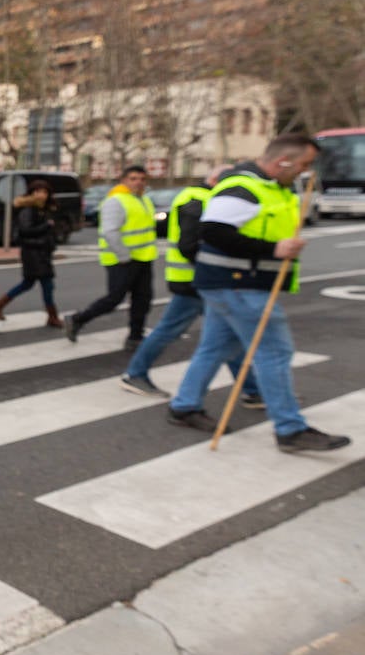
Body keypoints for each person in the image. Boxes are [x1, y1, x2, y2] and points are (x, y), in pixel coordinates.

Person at [166, 135, 350, 452]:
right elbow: (213, 231)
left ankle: (184, 406)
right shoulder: (244, 186)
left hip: (231, 283)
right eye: (304, 165)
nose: (305, 172)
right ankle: (290, 429)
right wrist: (274, 249)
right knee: (274, 352)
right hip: (238, 284)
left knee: (214, 348)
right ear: (283, 162)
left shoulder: (270, 187)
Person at [119, 166, 263, 401]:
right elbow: (188, 245)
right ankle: (135, 374)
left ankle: (253, 389)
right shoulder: (196, 199)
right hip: (193, 279)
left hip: (199, 278)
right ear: (217, 179)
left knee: (227, 334)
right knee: (176, 330)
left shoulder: (204, 198)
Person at [64, 165, 155, 349]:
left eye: (142, 179)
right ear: (124, 180)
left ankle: (135, 336)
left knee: (142, 299)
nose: (138, 182)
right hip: (122, 260)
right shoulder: (115, 201)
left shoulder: (143, 199)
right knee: (114, 298)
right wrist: (123, 255)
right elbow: (110, 232)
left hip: (143, 258)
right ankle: (78, 319)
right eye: (133, 178)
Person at [0, 178, 64, 329]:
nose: (41, 195)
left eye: (44, 192)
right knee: (47, 285)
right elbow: (25, 231)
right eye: (37, 192)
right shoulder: (28, 210)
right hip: (33, 253)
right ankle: (52, 316)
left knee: (27, 284)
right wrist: (46, 226)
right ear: (31, 193)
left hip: (41, 253)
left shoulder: (44, 209)